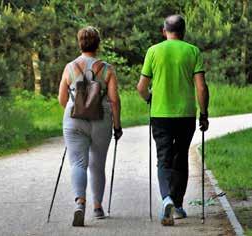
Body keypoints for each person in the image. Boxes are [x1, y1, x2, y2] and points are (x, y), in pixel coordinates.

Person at [137, 15, 209, 226]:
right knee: (181, 158)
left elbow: (141, 87)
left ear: (164, 31)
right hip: (186, 115)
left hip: (160, 115)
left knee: (164, 158)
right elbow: (201, 87)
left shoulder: (153, 51)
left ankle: (166, 197)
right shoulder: (193, 51)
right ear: (184, 31)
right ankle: (177, 205)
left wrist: (150, 98)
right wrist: (204, 113)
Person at [58, 26, 122, 227]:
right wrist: (117, 125)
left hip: (74, 120)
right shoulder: (107, 69)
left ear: (80, 43)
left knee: (78, 163)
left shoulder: (69, 67)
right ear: (98, 44)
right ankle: (97, 207)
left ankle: (79, 203)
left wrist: (77, 107)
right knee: (97, 164)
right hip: (101, 120)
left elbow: (61, 99)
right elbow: (114, 101)